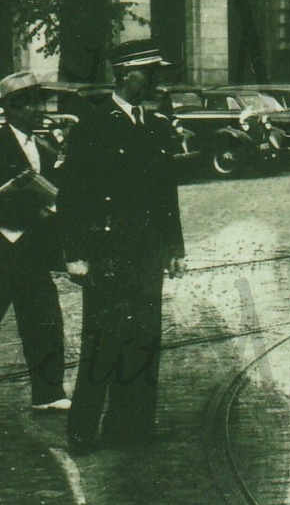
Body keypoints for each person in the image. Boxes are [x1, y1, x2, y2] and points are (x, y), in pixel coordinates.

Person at [55, 40, 186, 454]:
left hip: (146, 251)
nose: (154, 79)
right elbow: (72, 194)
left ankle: (132, 427)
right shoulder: (94, 125)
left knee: (144, 339)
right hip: (107, 249)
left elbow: (166, 192)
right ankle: (82, 431)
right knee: (103, 339)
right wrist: (74, 253)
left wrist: (174, 247)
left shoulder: (153, 123)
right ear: (126, 74)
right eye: (148, 72)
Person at [0, 71, 70, 411]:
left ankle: (49, 394)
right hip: (3, 247)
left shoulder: (44, 146)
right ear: (11, 108)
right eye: (28, 104)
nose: (37, 110)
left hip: (33, 253)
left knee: (45, 319)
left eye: (38, 102)